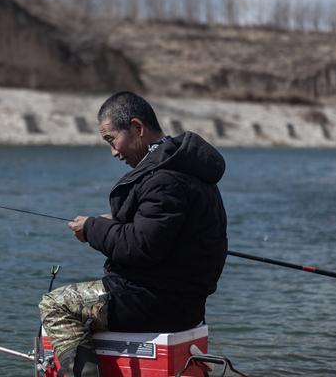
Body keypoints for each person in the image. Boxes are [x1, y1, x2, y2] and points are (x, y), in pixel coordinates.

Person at [39, 92, 228, 377]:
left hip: (154, 302)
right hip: (184, 303)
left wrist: (92, 228)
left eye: (112, 139)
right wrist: (117, 220)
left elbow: (140, 247)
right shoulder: (184, 169)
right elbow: (160, 228)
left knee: (55, 303)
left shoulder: (163, 179)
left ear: (137, 128)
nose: (114, 152)